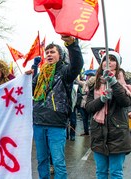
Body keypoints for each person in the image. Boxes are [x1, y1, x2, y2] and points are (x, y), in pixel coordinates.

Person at [31, 35, 83, 178]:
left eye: (52, 52)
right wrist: (30, 73)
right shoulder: (40, 75)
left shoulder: (65, 71)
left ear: (60, 56)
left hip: (56, 123)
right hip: (38, 122)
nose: (49, 54)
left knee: (58, 162)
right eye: (47, 52)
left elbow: (77, 64)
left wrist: (72, 44)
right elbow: (29, 90)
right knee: (42, 160)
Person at [85, 51, 131, 179]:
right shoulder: (95, 83)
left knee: (116, 173)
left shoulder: (125, 81)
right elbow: (88, 107)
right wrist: (102, 99)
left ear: (118, 63)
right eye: (106, 59)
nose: (108, 62)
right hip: (98, 134)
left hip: (118, 135)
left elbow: (125, 101)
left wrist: (114, 82)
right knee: (101, 172)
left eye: (112, 59)